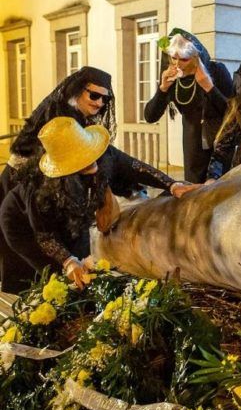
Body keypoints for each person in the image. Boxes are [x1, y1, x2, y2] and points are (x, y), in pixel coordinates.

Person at [0, 117, 196, 293]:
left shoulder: (105, 155)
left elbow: (136, 168)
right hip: (22, 224)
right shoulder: (39, 188)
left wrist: (171, 184)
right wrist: (68, 262)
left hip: (70, 216)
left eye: (86, 150)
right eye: (78, 157)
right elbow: (44, 235)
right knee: (52, 277)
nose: (89, 159)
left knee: (85, 266)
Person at [144, 28, 234, 183]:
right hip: (193, 144)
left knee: (220, 190)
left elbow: (233, 113)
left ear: (196, 57)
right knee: (194, 192)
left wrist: (209, 87)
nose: (178, 64)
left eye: (184, 59)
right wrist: (163, 89)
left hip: (220, 141)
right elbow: (150, 116)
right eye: (173, 58)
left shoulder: (216, 71)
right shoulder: (173, 78)